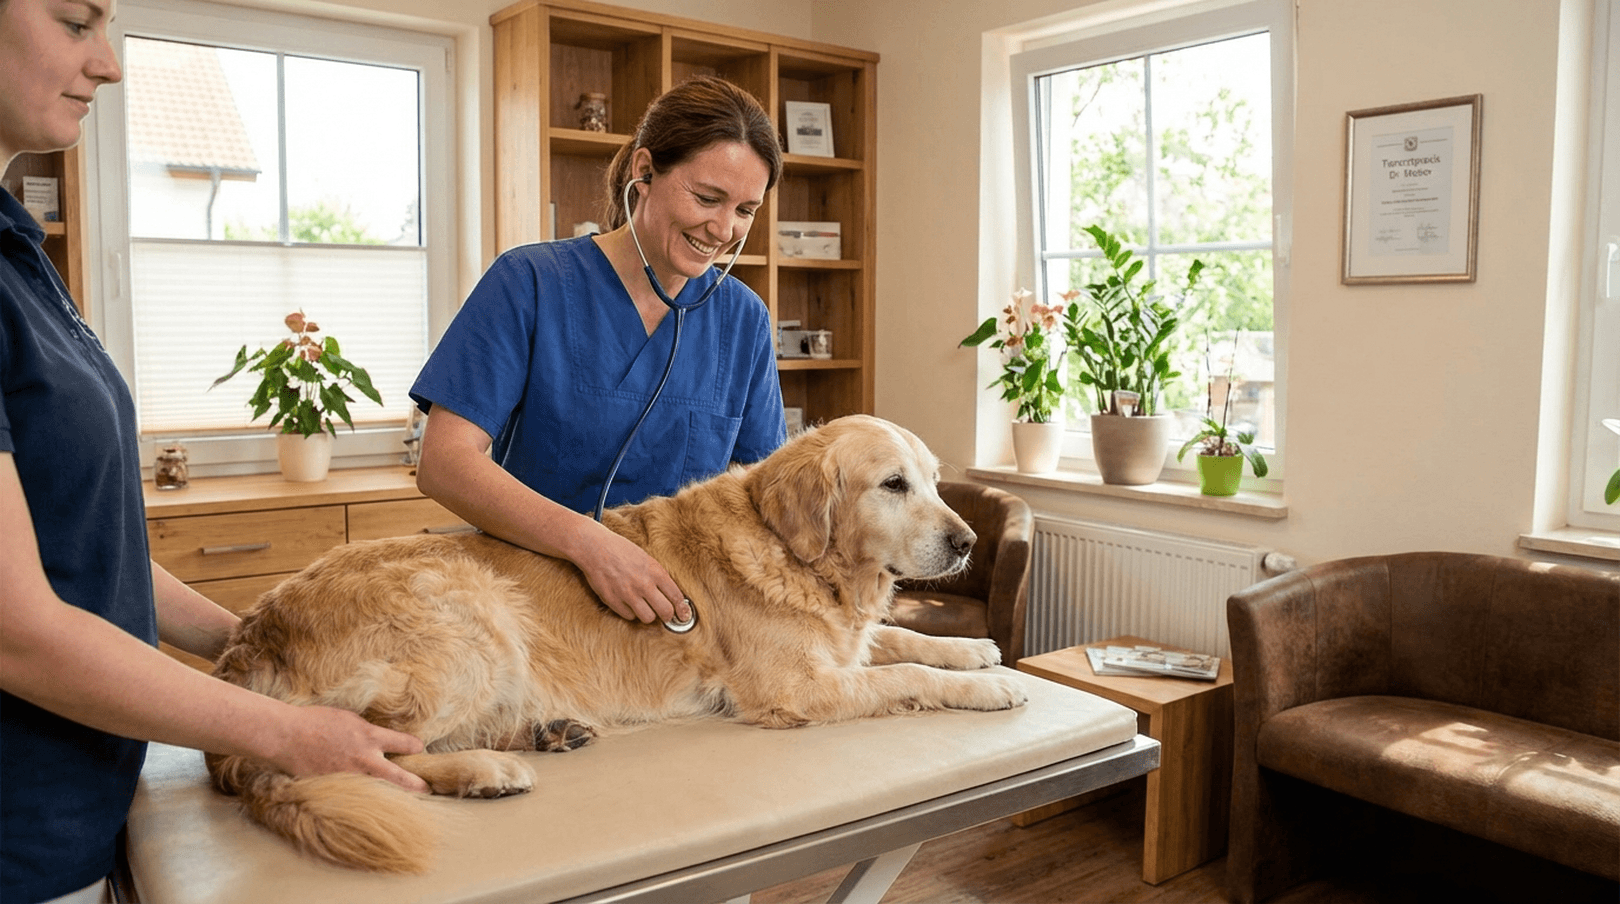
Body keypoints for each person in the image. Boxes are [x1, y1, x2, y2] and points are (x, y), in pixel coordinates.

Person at [0, 2, 428, 901]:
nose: (108, 65)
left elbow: (84, 552)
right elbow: (19, 633)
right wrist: (281, 730)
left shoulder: (20, 256)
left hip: (88, 805)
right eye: (77, 22)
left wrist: (265, 639)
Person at [412, 76, 787, 627]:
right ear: (644, 171)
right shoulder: (530, 281)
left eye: (745, 210)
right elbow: (444, 463)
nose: (724, 228)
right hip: (533, 600)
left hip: (681, 619)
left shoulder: (744, 319)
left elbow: (762, 495)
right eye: (707, 198)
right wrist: (590, 545)